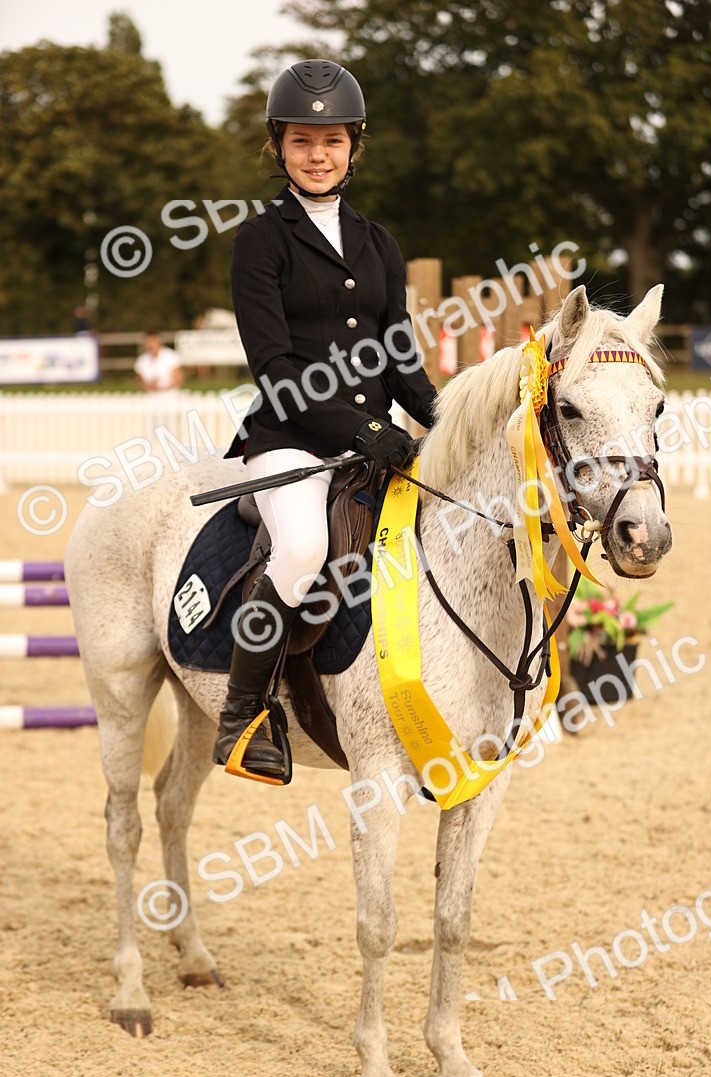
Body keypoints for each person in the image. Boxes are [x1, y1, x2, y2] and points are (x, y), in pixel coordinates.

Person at [212, 58, 437, 779]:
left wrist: (447, 418)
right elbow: (276, 370)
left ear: (354, 147)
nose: (318, 156)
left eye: (332, 141)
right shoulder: (260, 240)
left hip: (373, 445)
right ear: (279, 145)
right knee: (305, 546)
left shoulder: (379, 244)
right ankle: (242, 717)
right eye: (303, 141)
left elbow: (400, 359)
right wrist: (361, 431)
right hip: (290, 443)